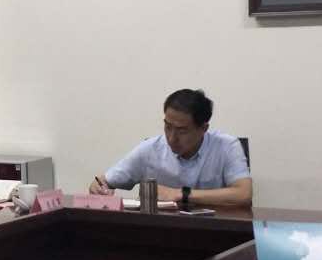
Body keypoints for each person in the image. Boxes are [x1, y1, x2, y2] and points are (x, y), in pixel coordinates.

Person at [89, 88, 252, 207]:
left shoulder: (226, 146)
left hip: (215, 233)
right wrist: (99, 187)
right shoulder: (150, 149)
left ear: (203, 128)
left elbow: (244, 194)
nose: (172, 138)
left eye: (182, 131)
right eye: (167, 127)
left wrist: (181, 194)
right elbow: (103, 181)